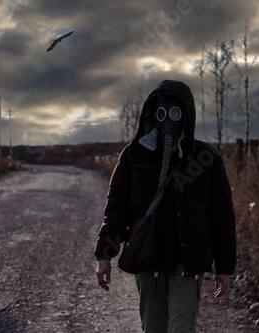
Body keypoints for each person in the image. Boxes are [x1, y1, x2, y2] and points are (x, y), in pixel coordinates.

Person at [93, 80, 236, 333]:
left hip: (187, 263)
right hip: (148, 264)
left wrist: (224, 267)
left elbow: (222, 217)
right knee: (153, 328)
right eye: (161, 112)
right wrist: (104, 254)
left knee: (181, 328)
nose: (168, 118)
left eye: (175, 112)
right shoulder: (133, 155)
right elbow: (116, 208)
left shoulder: (206, 158)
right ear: (152, 114)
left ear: (186, 116)